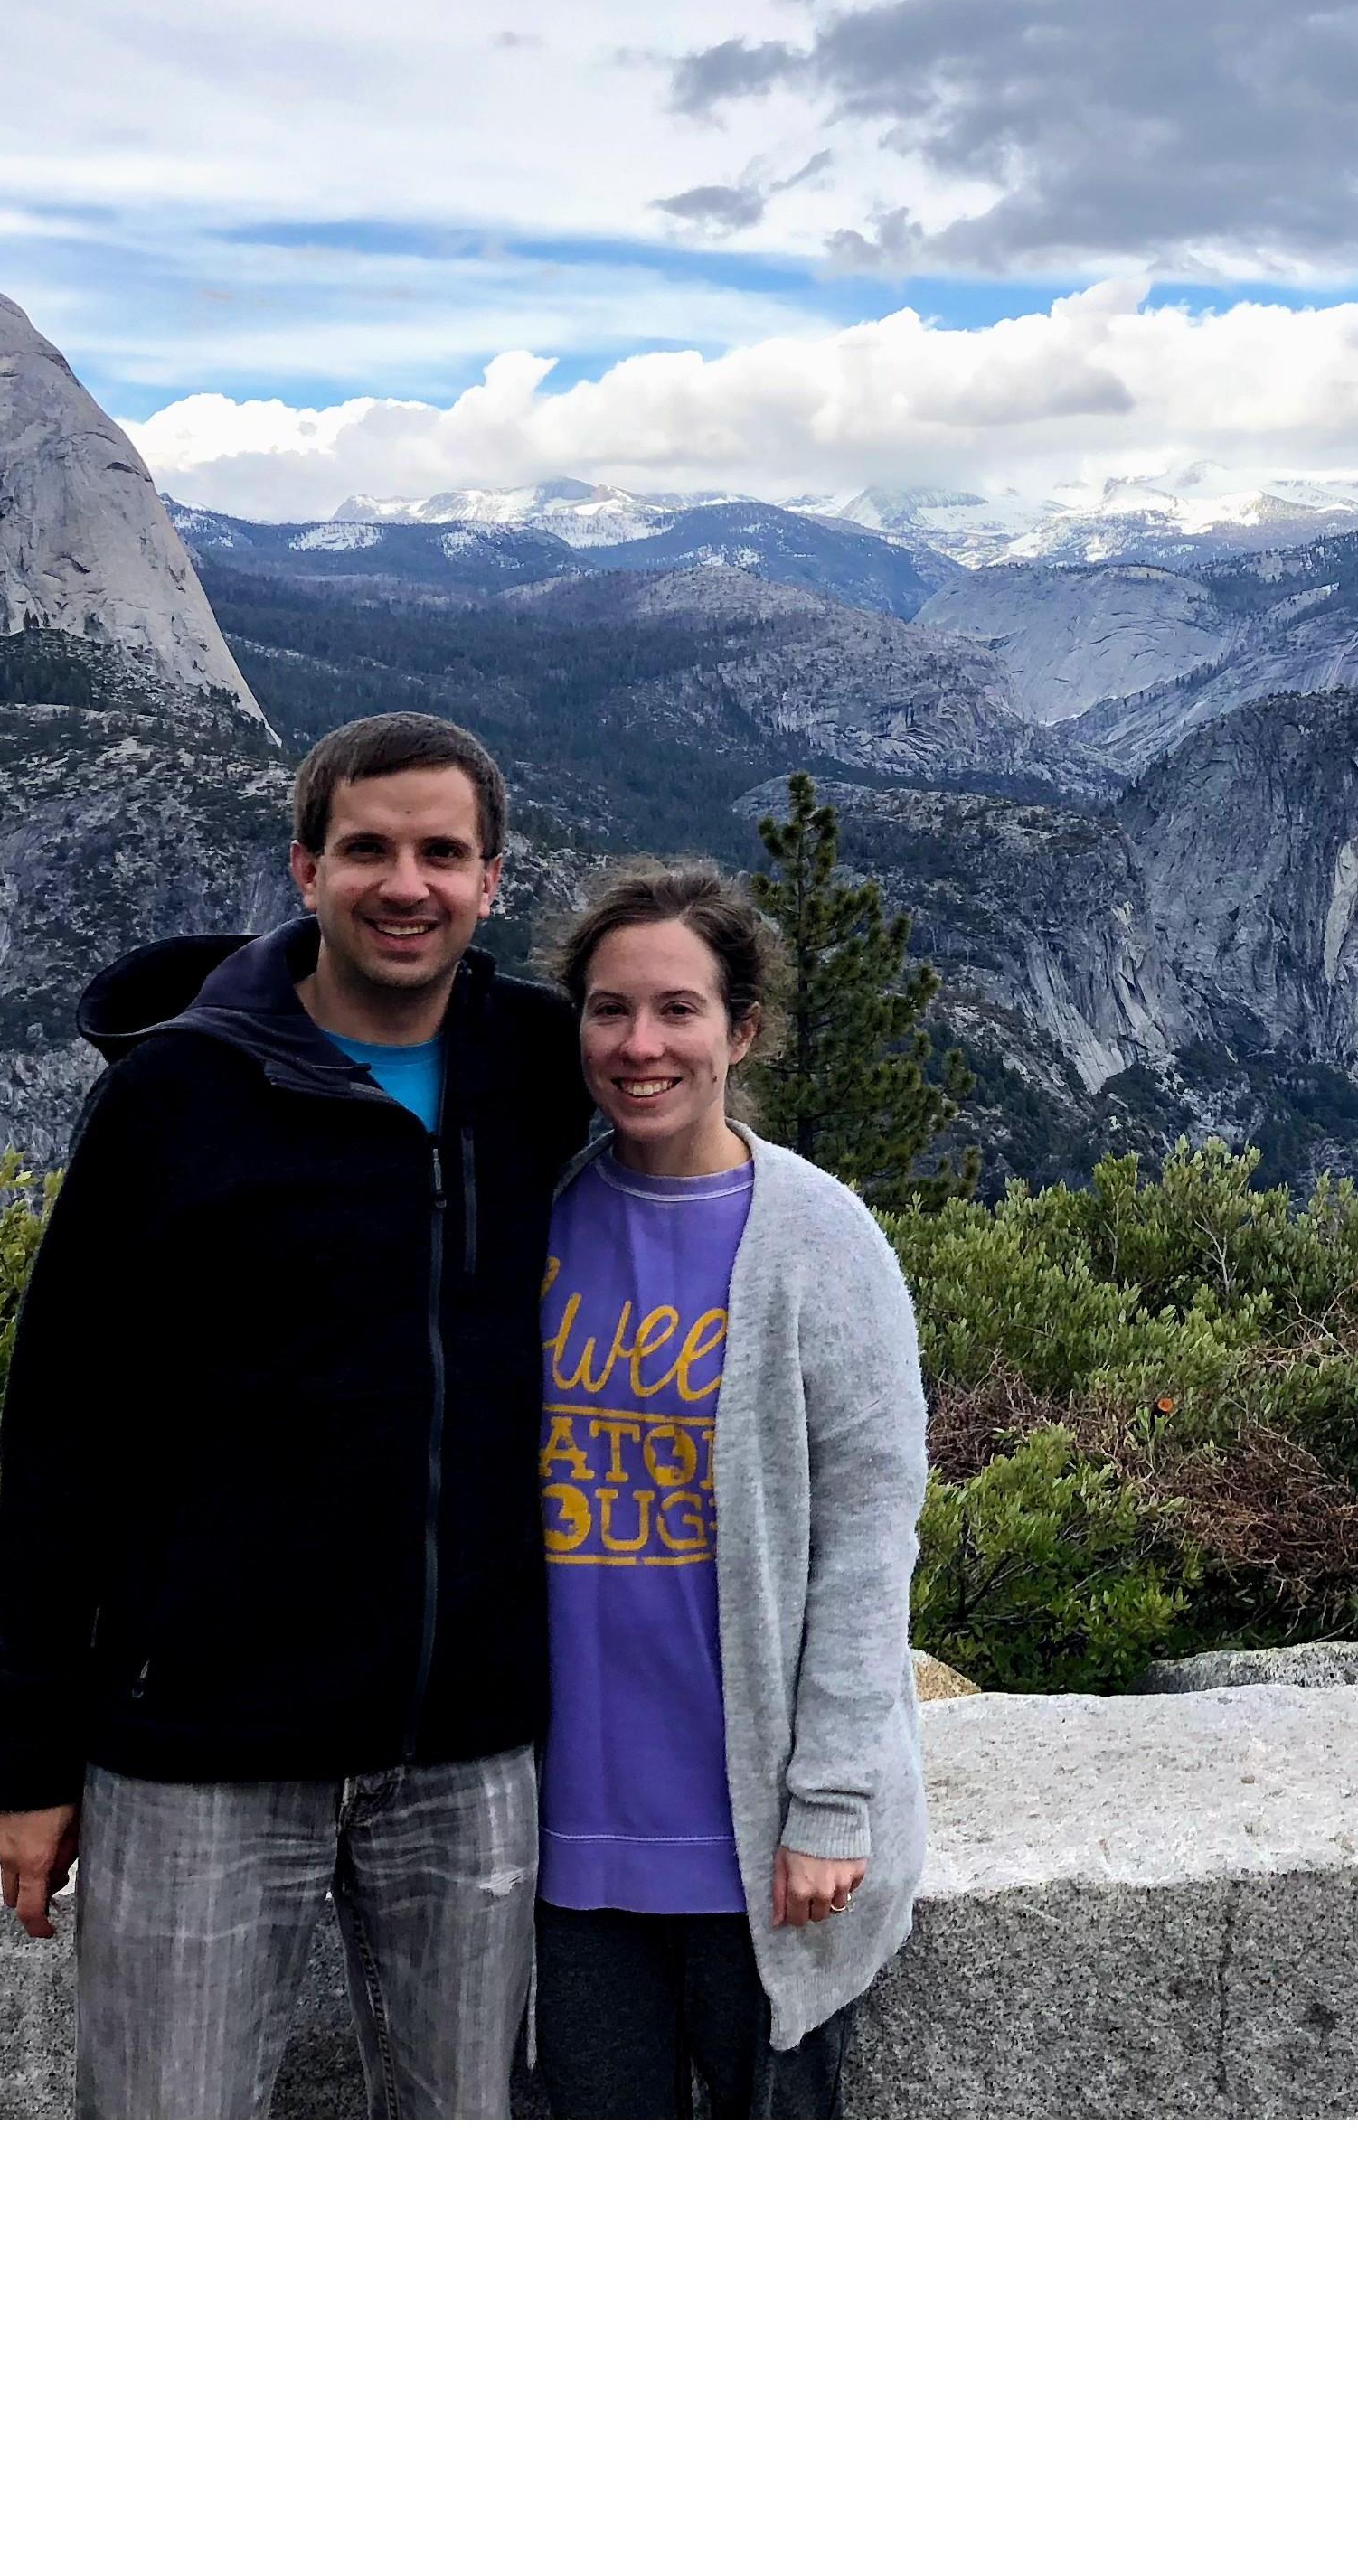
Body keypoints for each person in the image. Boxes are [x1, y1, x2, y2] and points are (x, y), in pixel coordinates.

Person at [0, 710, 577, 2118]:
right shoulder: (174, 1097)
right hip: (202, 1750)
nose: (405, 885)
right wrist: (29, 1755)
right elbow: (63, 1428)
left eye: (443, 854)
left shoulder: (541, 1068)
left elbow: (705, 1175)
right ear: (305, 869)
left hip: (467, 1746)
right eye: (367, 850)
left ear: (493, 881)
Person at [530, 856, 930, 2118]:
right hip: (566, 1840)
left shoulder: (819, 1238)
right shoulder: (538, 1217)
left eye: (678, 1010)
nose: (640, 1044)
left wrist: (832, 1805)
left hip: (757, 1845)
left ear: (740, 1031)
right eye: (610, 1010)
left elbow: (867, 1542)